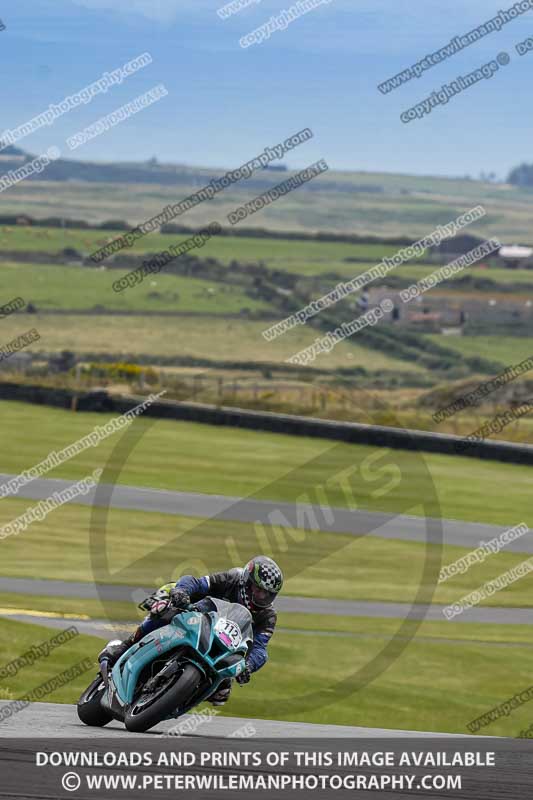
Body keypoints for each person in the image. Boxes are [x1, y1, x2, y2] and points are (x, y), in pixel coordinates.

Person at [99, 555, 283, 705]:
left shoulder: (268, 616)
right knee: (164, 610)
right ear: (247, 581)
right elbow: (196, 582)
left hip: (223, 646)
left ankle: (178, 698)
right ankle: (126, 645)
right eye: (258, 589)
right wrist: (182, 592)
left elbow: (260, 649)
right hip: (196, 615)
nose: (262, 596)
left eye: (267, 594)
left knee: (222, 692)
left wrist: (248, 666)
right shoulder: (232, 578)